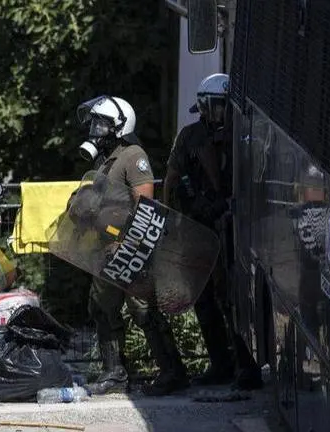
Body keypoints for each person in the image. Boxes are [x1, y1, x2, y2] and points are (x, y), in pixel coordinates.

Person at [77, 96, 188, 396]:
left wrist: (131, 245)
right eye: (94, 122)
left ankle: (173, 371)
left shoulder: (133, 155)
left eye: (102, 123)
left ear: (119, 126)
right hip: (106, 248)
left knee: (142, 309)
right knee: (101, 307)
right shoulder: (106, 159)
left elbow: (146, 207)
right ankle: (114, 373)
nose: (95, 128)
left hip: (130, 247)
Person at [163, 73, 262, 390]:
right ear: (204, 106)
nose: (221, 114)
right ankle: (221, 362)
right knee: (203, 299)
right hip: (197, 228)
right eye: (216, 107)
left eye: (225, 107)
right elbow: (172, 181)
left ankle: (247, 366)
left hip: (234, 228)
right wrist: (178, 218)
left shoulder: (243, 135)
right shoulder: (190, 137)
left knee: (233, 297)